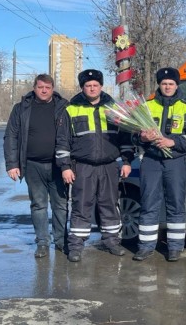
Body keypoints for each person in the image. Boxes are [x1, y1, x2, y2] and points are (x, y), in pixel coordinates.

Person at [56, 69, 134, 263]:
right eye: (88, 86)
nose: (92, 88)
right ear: (82, 87)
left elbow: (125, 138)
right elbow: (62, 141)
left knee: (110, 205)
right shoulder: (71, 109)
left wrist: (126, 161)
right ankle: (76, 245)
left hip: (109, 166)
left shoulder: (114, 108)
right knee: (81, 206)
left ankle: (112, 241)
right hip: (83, 166)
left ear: (101, 86)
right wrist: (65, 166)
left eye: (95, 85)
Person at [133, 67, 186, 263]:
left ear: (177, 85)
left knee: (176, 204)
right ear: (159, 86)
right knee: (148, 204)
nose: (168, 87)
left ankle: (174, 248)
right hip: (151, 161)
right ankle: (145, 247)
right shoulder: (146, 107)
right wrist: (141, 137)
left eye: (171, 84)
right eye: (164, 84)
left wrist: (173, 142)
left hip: (176, 162)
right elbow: (133, 134)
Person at [3, 74, 69, 258]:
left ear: (53, 88)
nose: (44, 90)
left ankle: (61, 241)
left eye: (48, 87)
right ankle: (42, 242)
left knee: (61, 205)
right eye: (40, 87)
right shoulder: (21, 108)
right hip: (32, 166)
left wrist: (70, 165)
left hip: (58, 166)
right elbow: (11, 136)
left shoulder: (63, 107)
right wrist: (12, 164)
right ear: (34, 87)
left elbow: (72, 136)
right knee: (38, 205)